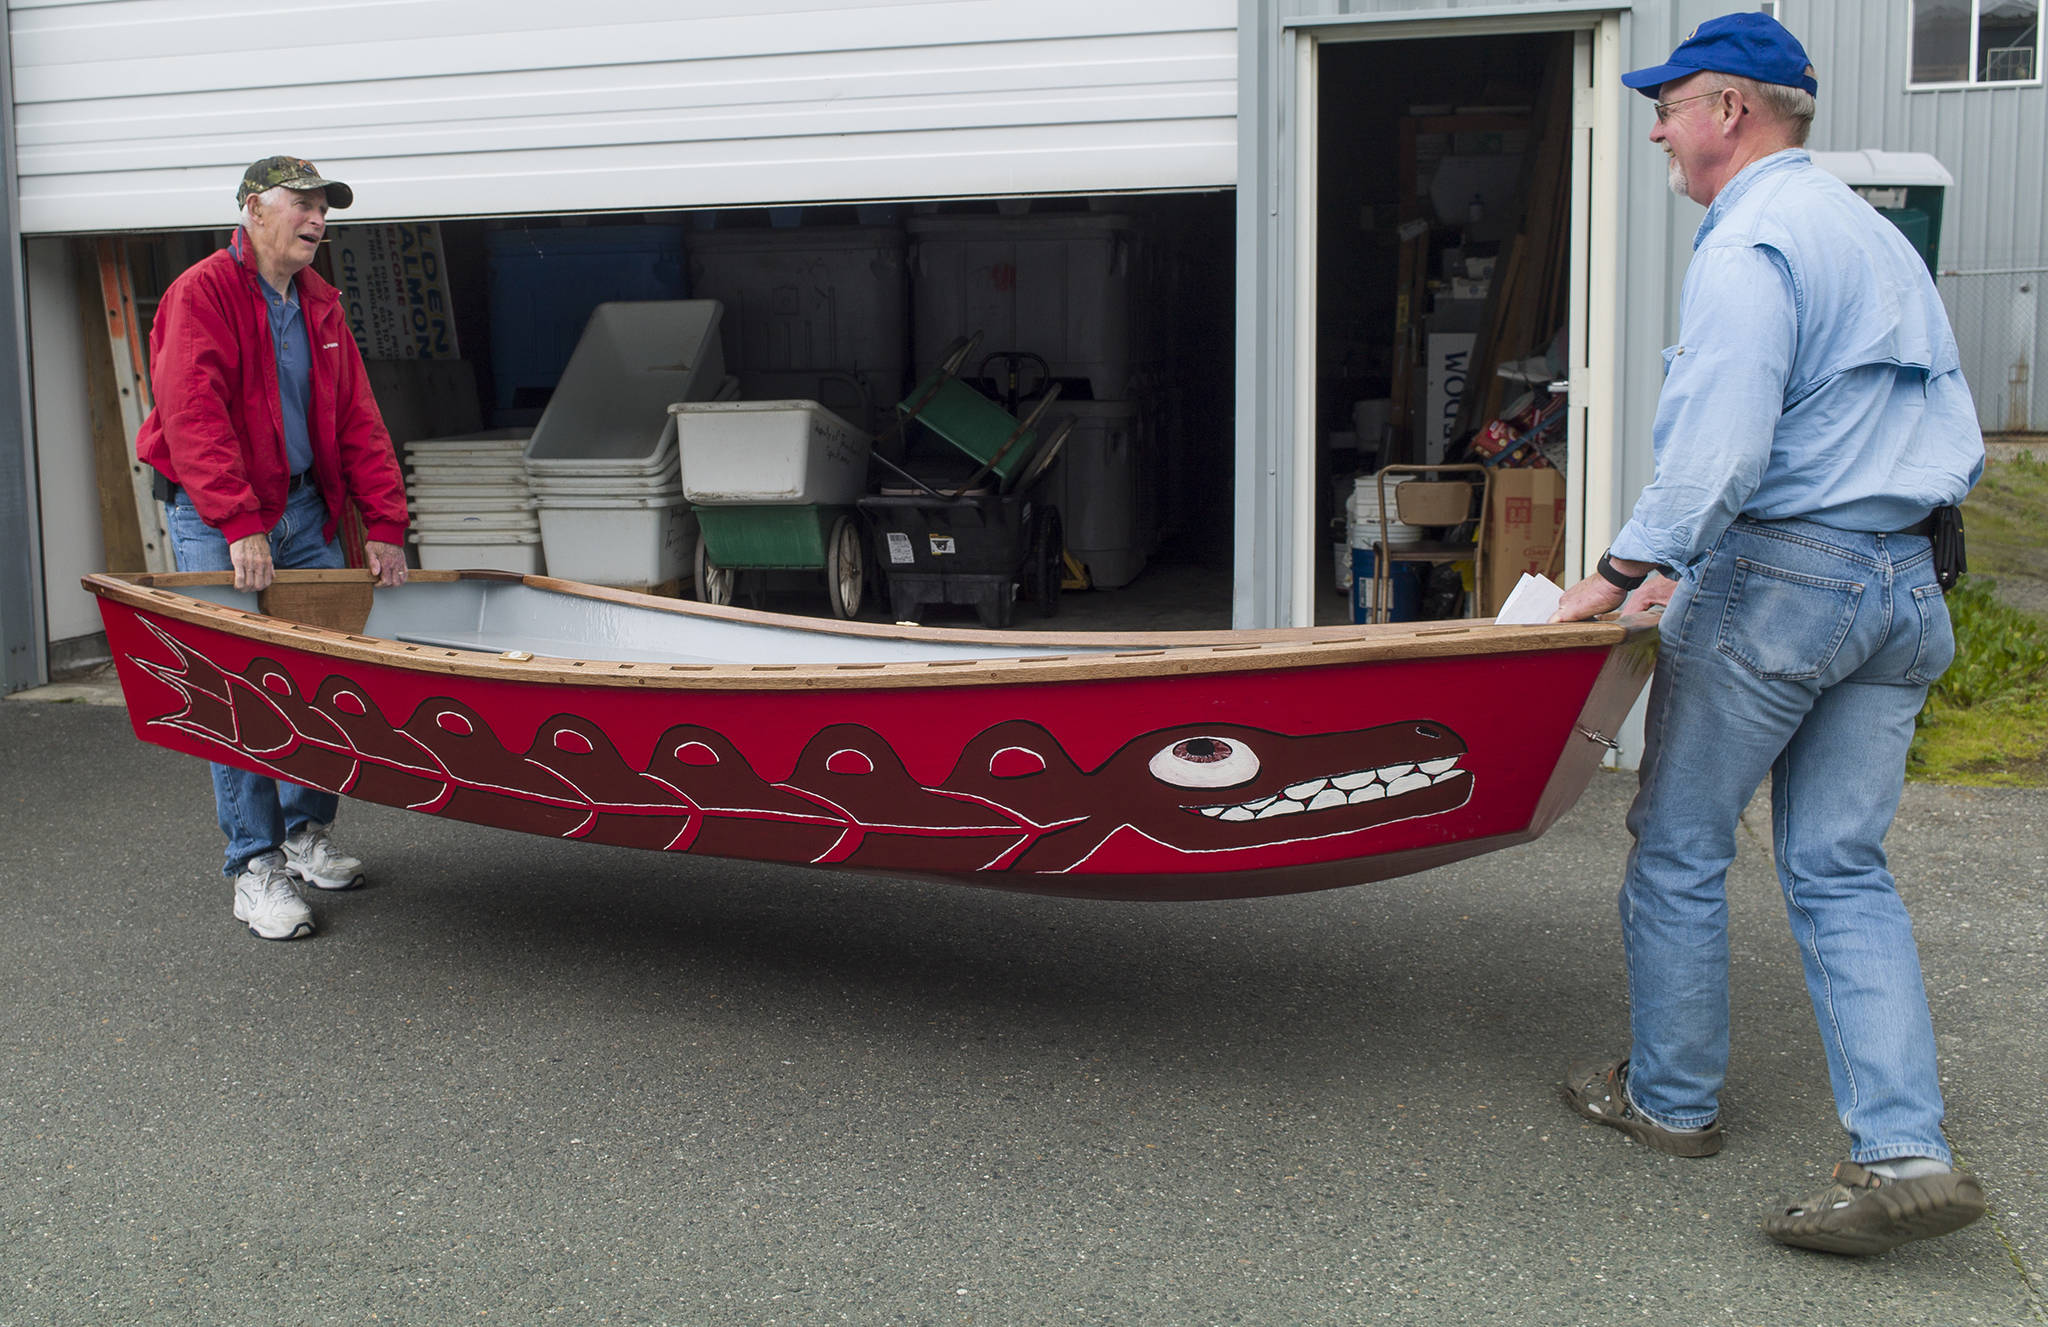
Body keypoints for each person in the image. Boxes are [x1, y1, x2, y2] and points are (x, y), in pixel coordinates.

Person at [1549, 15, 1988, 1255]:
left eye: (1666, 106)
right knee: (1840, 865)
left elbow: (1723, 444)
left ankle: (1669, 1100)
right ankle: (1902, 1153)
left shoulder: (1751, 238)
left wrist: (1619, 572)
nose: (1655, 131)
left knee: (1678, 843)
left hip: (1785, 573)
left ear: (1729, 110)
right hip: (1905, 579)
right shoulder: (1870, 234)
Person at [137, 155, 409, 942]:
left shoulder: (320, 304)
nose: (318, 219)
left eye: (325, 208)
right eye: (304, 204)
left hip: (303, 512)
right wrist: (236, 521)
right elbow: (192, 415)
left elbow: (357, 418)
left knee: (320, 679)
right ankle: (254, 866)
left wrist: (385, 523)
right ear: (254, 209)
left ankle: (301, 833)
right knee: (237, 689)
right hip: (219, 516)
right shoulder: (202, 293)